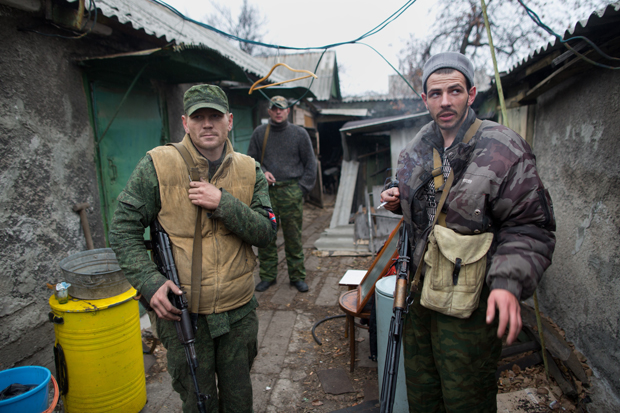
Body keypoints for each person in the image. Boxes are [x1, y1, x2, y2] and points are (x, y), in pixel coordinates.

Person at [380, 52, 556, 412]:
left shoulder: (504, 148)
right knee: (423, 396)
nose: (445, 101)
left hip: (470, 310)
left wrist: (508, 283)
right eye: (436, 93)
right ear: (425, 99)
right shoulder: (416, 148)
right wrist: (395, 196)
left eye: (455, 91)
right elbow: (406, 186)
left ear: (471, 94)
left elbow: (530, 225)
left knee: (467, 400)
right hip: (418, 296)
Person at [109, 84, 277, 413]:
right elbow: (123, 228)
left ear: (229, 120)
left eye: (215, 116)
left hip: (238, 312)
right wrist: (149, 281)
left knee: (240, 400)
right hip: (184, 314)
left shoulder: (249, 169)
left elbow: (266, 231)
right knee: (198, 402)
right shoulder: (157, 164)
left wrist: (224, 203)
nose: (207, 124)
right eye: (198, 117)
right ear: (185, 123)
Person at [247, 95, 317, 293]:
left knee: (293, 236)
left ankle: (297, 276)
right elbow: (250, 161)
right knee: (266, 236)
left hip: (291, 191)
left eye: (282, 108)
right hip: (266, 193)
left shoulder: (299, 134)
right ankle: (268, 276)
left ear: (288, 111)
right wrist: (261, 172)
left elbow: (311, 164)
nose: (278, 112)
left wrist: (301, 189)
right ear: (269, 111)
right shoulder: (260, 133)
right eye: (274, 108)